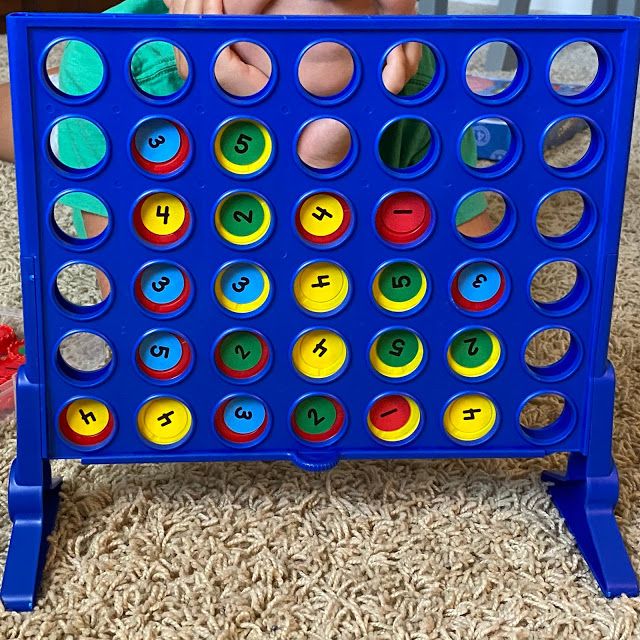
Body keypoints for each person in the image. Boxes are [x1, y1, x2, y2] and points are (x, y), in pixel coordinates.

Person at [0, 0, 492, 240]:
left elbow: (477, 274)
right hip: (144, 80)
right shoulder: (108, 68)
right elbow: (139, 296)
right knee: (37, 126)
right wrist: (253, 119)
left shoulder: (430, 79)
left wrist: (337, 149)